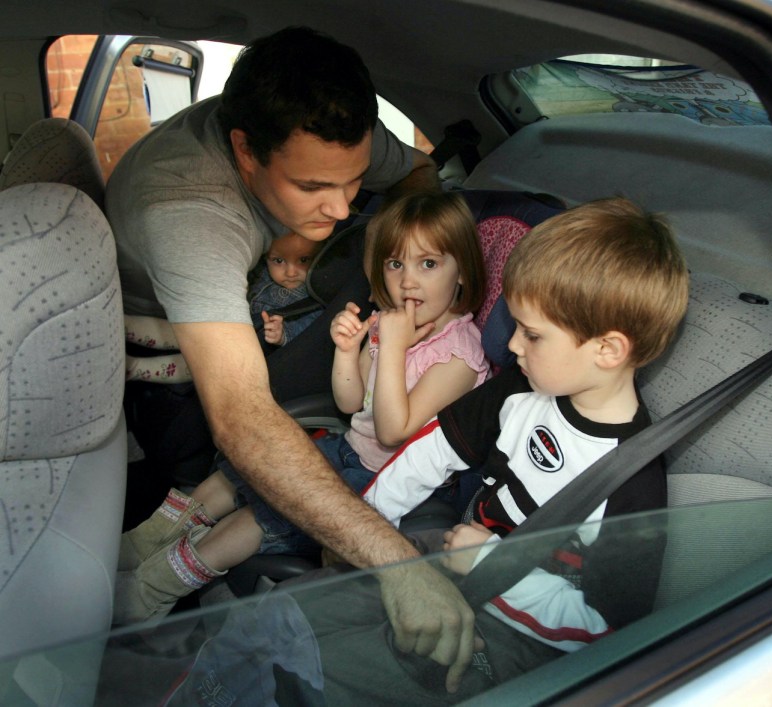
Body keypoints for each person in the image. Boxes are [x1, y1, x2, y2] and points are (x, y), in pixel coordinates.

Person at [106, 26, 479, 692]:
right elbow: (243, 416)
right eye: (313, 187)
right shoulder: (190, 208)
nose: (341, 208)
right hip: (164, 336)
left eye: (356, 182)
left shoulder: (335, 139)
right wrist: (396, 562)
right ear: (246, 152)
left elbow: (418, 177)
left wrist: (388, 255)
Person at [294, 197, 690, 703]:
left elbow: (603, 626)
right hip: (449, 564)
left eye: (533, 334)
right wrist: (365, 524)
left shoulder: (631, 478)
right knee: (296, 613)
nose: (514, 346)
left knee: (324, 671)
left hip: (518, 639)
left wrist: (490, 566)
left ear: (608, 350)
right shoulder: (519, 391)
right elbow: (431, 451)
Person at [114, 191, 491, 624]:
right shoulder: (392, 324)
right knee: (242, 468)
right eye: (395, 264)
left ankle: (155, 589)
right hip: (349, 448)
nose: (408, 281)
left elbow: (392, 431)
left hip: (384, 481)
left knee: (267, 511)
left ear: (461, 271)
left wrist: (394, 347)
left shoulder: (458, 356)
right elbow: (352, 403)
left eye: (429, 264)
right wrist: (349, 351)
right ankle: (151, 539)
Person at [123, 231, 322, 382]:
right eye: (278, 260)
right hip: (222, 322)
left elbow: (309, 332)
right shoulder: (261, 270)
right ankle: (122, 325)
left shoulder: (313, 296)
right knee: (182, 331)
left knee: (202, 365)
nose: (291, 271)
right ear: (267, 257)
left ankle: (134, 368)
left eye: (304, 260)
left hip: (244, 347)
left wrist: (282, 334)